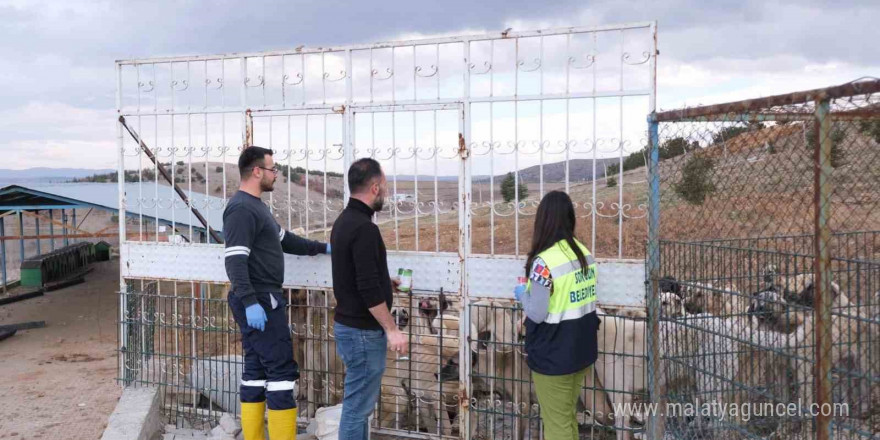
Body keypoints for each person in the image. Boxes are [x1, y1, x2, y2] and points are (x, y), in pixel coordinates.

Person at [223, 146, 330, 440]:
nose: (276, 175)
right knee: (282, 372)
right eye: (273, 169)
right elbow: (234, 259)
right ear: (257, 171)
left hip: (260, 299)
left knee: (256, 369)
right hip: (259, 300)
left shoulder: (258, 207)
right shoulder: (242, 209)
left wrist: (322, 248)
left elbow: (285, 240)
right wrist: (250, 303)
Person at [330, 158, 409, 440]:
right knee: (357, 409)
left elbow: (353, 272)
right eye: (385, 186)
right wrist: (391, 329)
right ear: (375, 187)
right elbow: (365, 287)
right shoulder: (364, 228)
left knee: (359, 407)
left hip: (351, 328)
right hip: (362, 333)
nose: (385, 192)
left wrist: (385, 282)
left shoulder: (344, 222)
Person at [513, 190, 600, 440]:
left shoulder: (544, 262)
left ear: (542, 221)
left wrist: (522, 293)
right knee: (566, 418)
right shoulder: (584, 254)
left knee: (556, 426)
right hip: (581, 350)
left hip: (554, 355)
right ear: (570, 219)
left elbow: (537, 314)